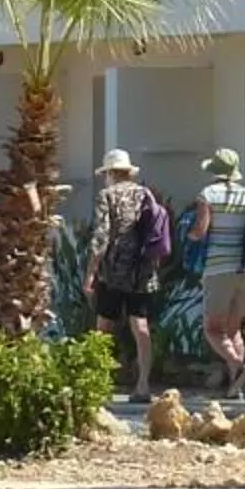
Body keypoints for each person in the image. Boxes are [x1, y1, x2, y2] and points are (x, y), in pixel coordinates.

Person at [83, 149, 164, 401]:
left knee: (104, 326)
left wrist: (90, 273)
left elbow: (101, 236)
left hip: (114, 269)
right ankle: (143, 385)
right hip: (142, 269)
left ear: (109, 173)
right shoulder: (145, 194)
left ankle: (97, 382)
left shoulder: (107, 195)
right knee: (140, 325)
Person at [188, 149, 245, 399]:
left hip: (219, 267)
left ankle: (237, 365)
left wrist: (189, 236)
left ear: (214, 171)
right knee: (234, 329)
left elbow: (201, 230)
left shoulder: (208, 194)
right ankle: (235, 388)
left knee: (212, 329)